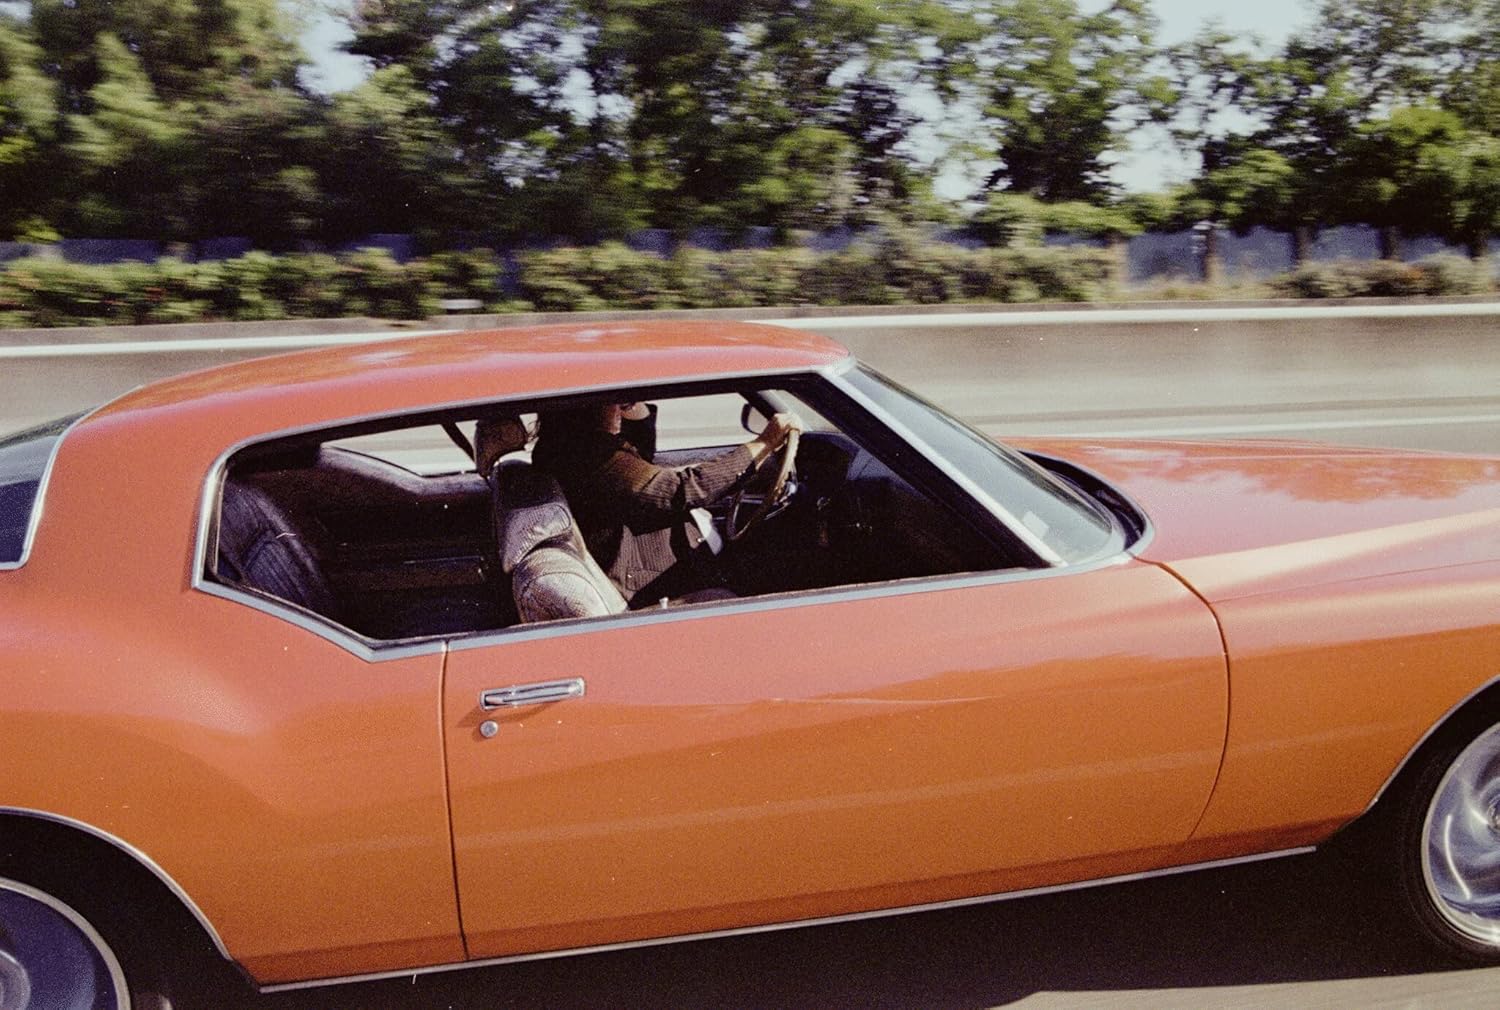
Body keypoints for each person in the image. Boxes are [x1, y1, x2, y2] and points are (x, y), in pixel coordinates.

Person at [531, 400, 800, 606]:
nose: (619, 409)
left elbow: (642, 453)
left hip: (652, 558)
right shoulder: (588, 455)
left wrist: (629, 400)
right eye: (612, 400)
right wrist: (764, 443)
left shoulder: (569, 446)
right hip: (646, 578)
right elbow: (680, 490)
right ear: (585, 408)